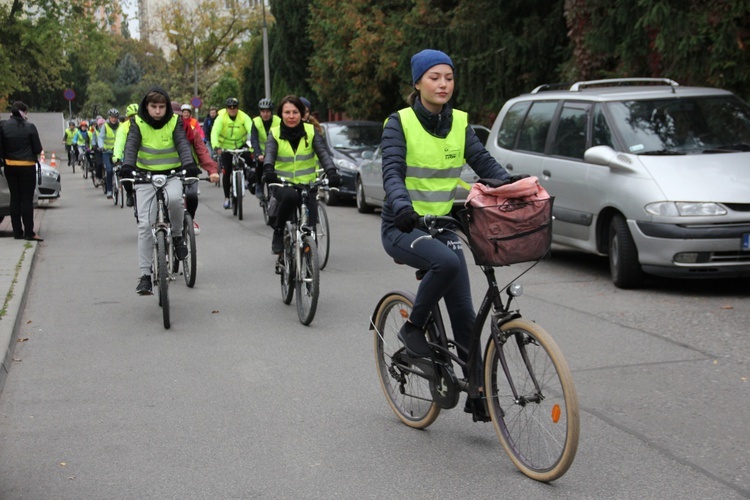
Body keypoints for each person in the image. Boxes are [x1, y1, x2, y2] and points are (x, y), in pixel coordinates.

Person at [380, 49, 511, 420]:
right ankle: (412, 329)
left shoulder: (459, 124)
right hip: (402, 225)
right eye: (434, 77)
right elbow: (392, 171)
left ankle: (477, 393)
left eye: (448, 77)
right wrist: (402, 204)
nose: (442, 84)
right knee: (447, 261)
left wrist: (513, 187)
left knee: (465, 312)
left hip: (441, 224)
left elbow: (484, 163)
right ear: (417, 83)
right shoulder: (399, 122)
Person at [121, 86, 197, 295]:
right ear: (146, 107)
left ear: (166, 108)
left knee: (174, 200)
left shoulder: (175, 122)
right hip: (145, 177)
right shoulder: (137, 123)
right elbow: (131, 146)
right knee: (145, 225)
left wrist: (189, 165)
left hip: (171, 174)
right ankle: (145, 275)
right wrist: (127, 167)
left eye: (161, 107)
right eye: (153, 106)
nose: (157, 111)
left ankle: (177, 236)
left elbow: (182, 144)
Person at [262, 95, 341, 254]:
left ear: (301, 114)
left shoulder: (310, 131)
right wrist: (269, 169)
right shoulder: (275, 133)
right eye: (287, 112)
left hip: (307, 185)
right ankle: (278, 232)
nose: (291, 116)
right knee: (291, 197)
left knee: (310, 227)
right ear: (281, 114)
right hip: (283, 184)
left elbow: (323, 154)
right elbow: (269, 154)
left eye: (295, 112)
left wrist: (332, 172)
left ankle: (309, 260)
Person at [0, 101, 44, 241]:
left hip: (10, 166)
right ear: (23, 112)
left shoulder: (3, 126)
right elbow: (37, 149)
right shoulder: (30, 127)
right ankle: (29, 232)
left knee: (15, 198)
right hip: (27, 166)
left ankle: (17, 232)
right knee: (26, 199)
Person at [175, 102, 220, 232]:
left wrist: (212, 171)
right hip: (169, 171)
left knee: (192, 196)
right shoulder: (162, 133)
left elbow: (202, 152)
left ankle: (190, 219)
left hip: (190, 168)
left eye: (179, 116)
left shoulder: (192, 132)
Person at [210, 97, 254, 209]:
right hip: (225, 147)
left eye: (234, 108)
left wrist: (253, 146)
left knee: (250, 159)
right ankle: (226, 198)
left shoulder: (244, 117)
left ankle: (248, 180)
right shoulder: (221, 118)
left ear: (238, 108)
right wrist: (216, 146)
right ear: (226, 109)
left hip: (240, 145)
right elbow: (215, 132)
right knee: (227, 171)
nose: (232, 110)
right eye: (230, 108)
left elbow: (252, 130)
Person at [250, 98, 281, 200]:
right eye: (263, 111)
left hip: (276, 151)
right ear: (260, 112)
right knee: (259, 164)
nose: (265, 114)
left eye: (267, 111)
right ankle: (259, 185)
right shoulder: (256, 122)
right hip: (261, 152)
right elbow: (254, 139)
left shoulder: (278, 121)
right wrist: (258, 153)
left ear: (271, 112)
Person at [112, 103, 140, 207]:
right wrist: (117, 156)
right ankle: (129, 193)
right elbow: (119, 142)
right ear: (128, 117)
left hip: (144, 158)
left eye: (137, 115)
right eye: (132, 116)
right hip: (128, 158)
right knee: (125, 174)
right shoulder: (123, 128)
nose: (135, 118)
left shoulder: (146, 125)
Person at [100, 108, 120, 198]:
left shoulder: (121, 125)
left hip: (118, 152)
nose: (114, 119)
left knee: (123, 169)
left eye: (115, 117)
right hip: (107, 152)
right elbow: (101, 138)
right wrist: (101, 146)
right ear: (109, 118)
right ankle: (109, 190)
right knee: (109, 170)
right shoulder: (105, 126)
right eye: (112, 117)